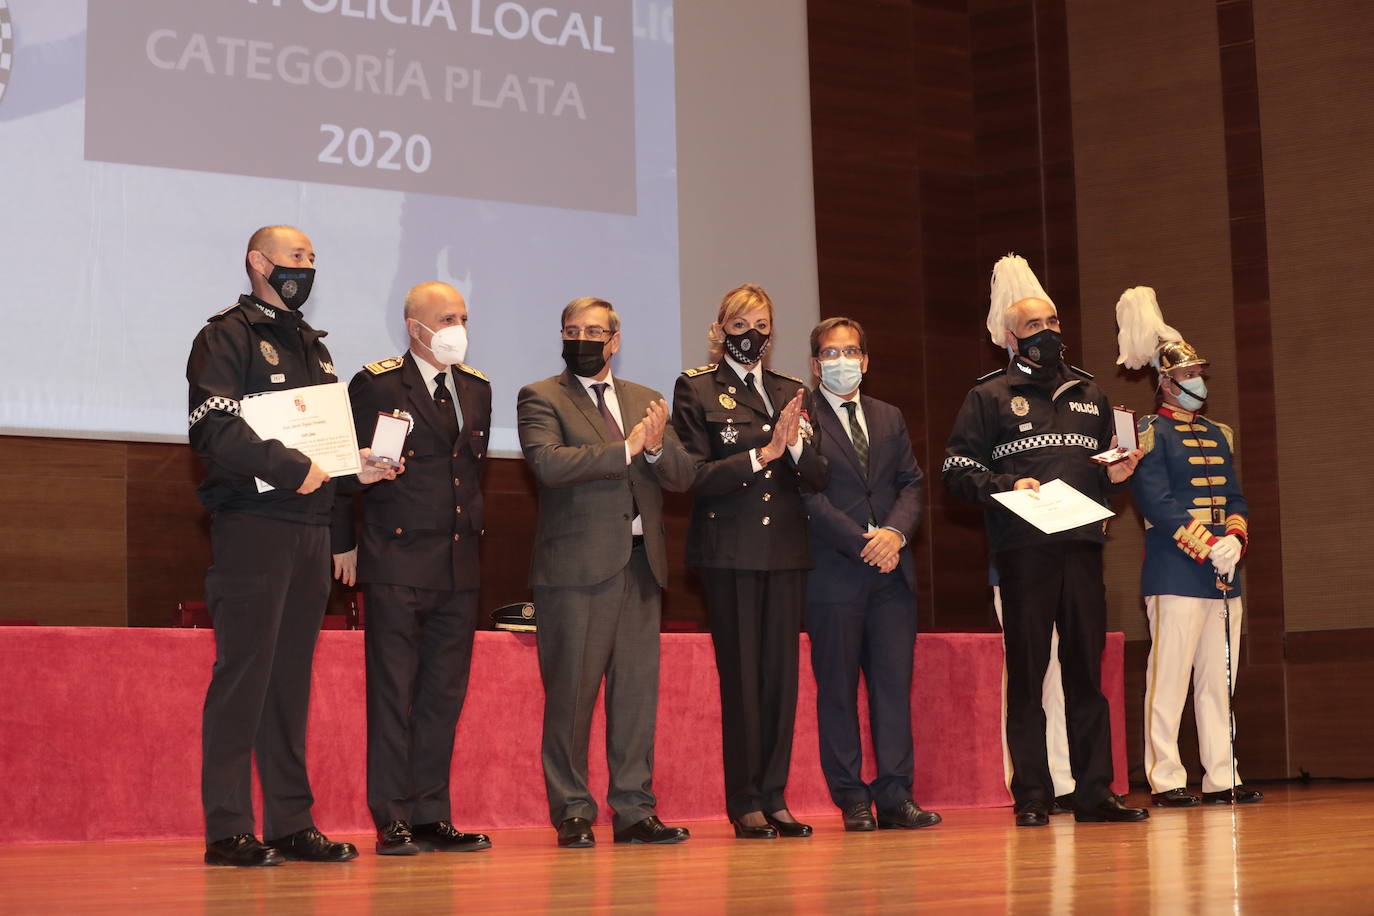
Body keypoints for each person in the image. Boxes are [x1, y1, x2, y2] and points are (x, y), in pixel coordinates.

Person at [188, 225, 396, 867]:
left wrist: (351, 468)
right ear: (259, 262)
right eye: (296, 257)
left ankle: (289, 820)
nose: (307, 267)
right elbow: (213, 430)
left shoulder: (315, 346)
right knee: (244, 674)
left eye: (312, 258)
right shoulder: (224, 335)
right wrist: (289, 464)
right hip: (253, 525)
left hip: (309, 527)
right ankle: (228, 827)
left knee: (289, 681)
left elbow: (323, 445)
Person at [941, 254, 1147, 827]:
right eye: (1035, 326)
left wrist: (1118, 473)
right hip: (1023, 553)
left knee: (1087, 673)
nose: (1049, 333)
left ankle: (1094, 792)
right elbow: (956, 470)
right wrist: (1009, 484)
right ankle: (1032, 794)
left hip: (1082, 549)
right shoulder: (987, 396)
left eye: (1054, 323)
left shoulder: (1090, 392)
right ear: (1011, 338)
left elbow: (1109, 463)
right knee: (1028, 675)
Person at [517, 297, 695, 848]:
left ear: (614, 340)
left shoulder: (646, 400)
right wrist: (625, 448)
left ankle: (634, 810)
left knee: (636, 696)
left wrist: (659, 443)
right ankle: (572, 809)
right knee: (571, 694)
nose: (582, 339)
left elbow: (684, 476)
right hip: (576, 570)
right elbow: (547, 464)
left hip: (643, 567)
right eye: (572, 330)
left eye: (594, 331)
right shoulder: (540, 396)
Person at [330, 281, 496, 855]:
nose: (458, 327)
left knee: (442, 696)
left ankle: (431, 813)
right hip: (395, 557)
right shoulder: (375, 383)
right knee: (392, 691)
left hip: (458, 563)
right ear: (415, 326)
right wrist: (342, 543)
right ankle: (392, 817)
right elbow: (341, 469)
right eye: (446, 317)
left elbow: (468, 475)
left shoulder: (477, 388)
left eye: (463, 316)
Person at [671, 283, 829, 839]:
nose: (752, 336)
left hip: (785, 552)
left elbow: (819, 475)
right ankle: (745, 801)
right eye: (740, 325)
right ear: (719, 331)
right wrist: (764, 453)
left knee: (780, 680)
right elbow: (692, 476)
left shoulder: (790, 391)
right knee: (742, 678)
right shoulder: (696, 389)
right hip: (730, 553)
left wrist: (799, 447)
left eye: (761, 325)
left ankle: (775, 795)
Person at [1115, 286, 1262, 806]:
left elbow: (1237, 496)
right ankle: (1167, 776)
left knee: (1219, 680)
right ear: (1166, 383)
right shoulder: (1149, 431)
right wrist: (1208, 545)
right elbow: (1156, 503)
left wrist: (1236, 540)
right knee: (1170, 678)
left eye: (1199, 373)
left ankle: (1223, 775)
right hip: (1177, 569)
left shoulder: (1219, 434)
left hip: (1225, 570)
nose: (1198, 381)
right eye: (1187, 375)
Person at [801, 317, 941, 832]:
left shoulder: (889, 416)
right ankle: (852, 797)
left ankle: (896, 795)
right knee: (836, 691)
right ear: (816, 365)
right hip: (834, 575)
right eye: (831, 354)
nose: (843, 361)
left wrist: (895, 535)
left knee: (891, 690)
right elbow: (806, 496)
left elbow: (911, 483)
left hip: (891, 577)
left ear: (866, 360)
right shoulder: (800, 417)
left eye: (851, 352)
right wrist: (864, 542)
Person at [992, 572, 1076, 813]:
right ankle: (1029, 787)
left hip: (1061, 571)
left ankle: (1062, 783)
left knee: (1057, 682)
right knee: (1024, 682)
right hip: (1017, 568)